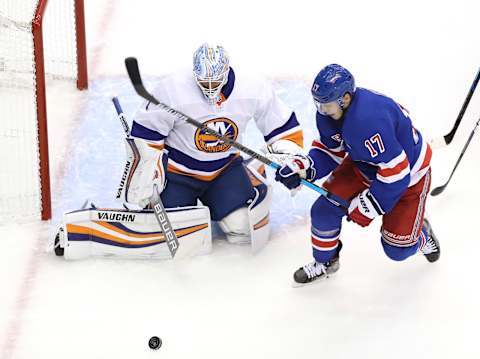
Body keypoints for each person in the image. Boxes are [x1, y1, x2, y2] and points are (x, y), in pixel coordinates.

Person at [274, 64, 440, 286]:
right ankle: (326, 262)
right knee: (323, 210)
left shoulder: (369, 121)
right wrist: (304, 166)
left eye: (327, 105)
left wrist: (367, 205)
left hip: (409, 178)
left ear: (345, 98)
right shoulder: (332, 113)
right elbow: (331, 150)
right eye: (319, 104)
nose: (322, 110)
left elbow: (397, 173)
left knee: (397, 251)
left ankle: (420, 234)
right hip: (364, 165)